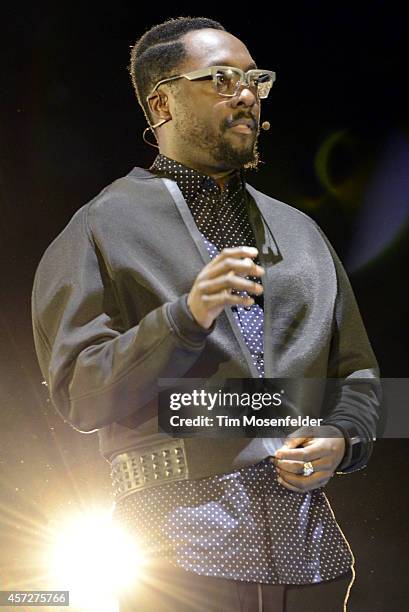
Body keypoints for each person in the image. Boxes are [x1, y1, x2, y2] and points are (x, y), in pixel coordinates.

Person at [31, 16, 381, 612]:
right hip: (175, 554)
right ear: (162, 102)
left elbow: (364, 381)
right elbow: (77, 393)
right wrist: (184, 318)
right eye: (221, 79)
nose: (246, 95)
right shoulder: (97, 229)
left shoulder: (302, 234)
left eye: (254, 80)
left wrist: (342, 437)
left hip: (312, 555)